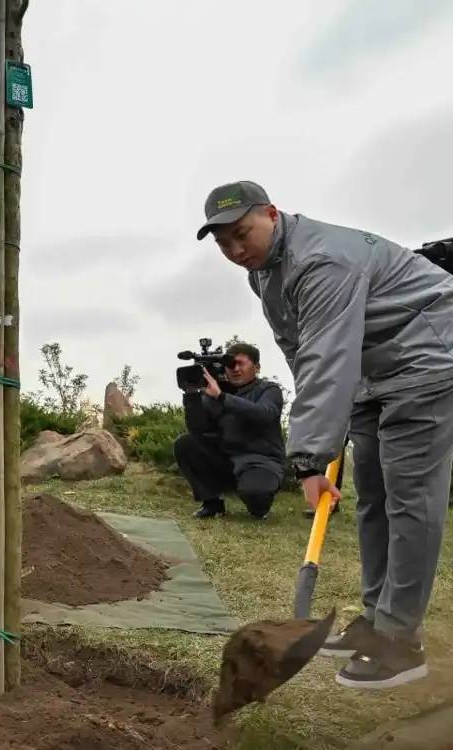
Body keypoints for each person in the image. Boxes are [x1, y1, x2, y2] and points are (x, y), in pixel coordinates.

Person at [197, 180, 453, 690]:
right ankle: (378, 618)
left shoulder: (322, 262)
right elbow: (300, 350)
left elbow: (326, 355)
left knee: (409, 498)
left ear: (272, 213)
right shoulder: (265, 273)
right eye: (223, 243)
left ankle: (402, 641)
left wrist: (310, 459)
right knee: (372, 496)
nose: (235, 250)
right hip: (369, 372)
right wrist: (328, 431)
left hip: (427, 357)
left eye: (242, 234)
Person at [172, 342, 285, 519]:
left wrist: (222, 397)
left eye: (241, 363)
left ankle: (259, 505)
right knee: (185, 444)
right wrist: (192, 395)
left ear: (257, 367)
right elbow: (198, 431)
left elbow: (264, 414)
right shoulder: (215, 393)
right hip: (227, 460)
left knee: (256, 497)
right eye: (231, 364)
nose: (235, 369)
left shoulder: (269, 390)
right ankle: (212, 503)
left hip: (260, 461)